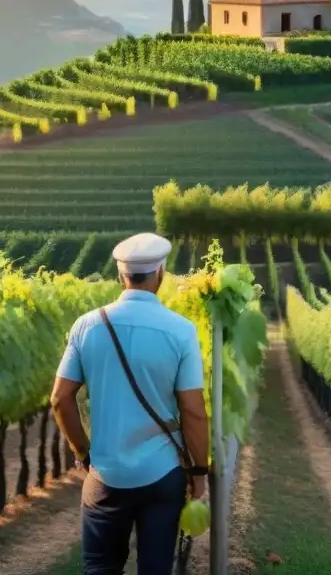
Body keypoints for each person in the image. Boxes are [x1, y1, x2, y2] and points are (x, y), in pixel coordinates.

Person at [50, 232, 209, 575]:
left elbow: (60, 399)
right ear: (160, 273)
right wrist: (198, 471)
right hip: (162, 473)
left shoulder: (87, 326)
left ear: (121, 274)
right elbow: (194, 412)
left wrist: (84, 454)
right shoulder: (181, 331)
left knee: (100, 567)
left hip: (106, 474)